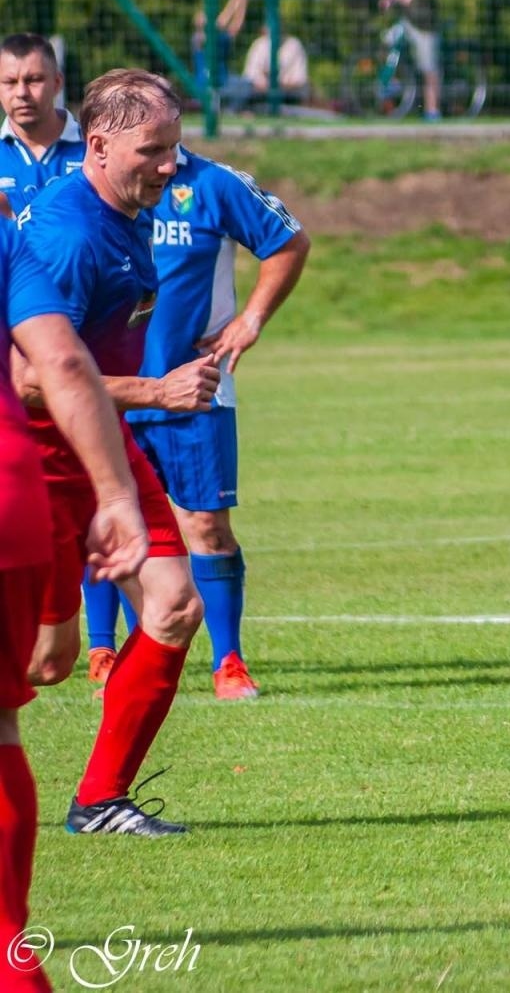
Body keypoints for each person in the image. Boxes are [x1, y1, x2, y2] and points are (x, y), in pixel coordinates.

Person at [11, 69, 212, 834]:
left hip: (101, 444)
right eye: (152, 150)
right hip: (36, 460)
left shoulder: (125, 208)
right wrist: (158, 392)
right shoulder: (67, 233)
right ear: (97, 145)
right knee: (43, 663)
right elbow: (32, 381)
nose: (169, 165)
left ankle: (100, 801)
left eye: (174, 148)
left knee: (172, 608)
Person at [80, 145, 311, 700]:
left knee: (206, 526)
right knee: (110, 521)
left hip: (197, 390)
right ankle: (110, 652)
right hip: (112, 392)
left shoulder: (215, 183)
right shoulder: (92, 188)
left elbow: (288, 241)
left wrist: (250, 319)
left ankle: (227, 661)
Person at [1, 219, 150, 991]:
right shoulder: (7, 232)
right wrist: (116, 493)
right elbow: (59, 360)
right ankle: (11, 958)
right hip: (11, 491)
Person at [0, 34, 85, 220]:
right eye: (10, 82)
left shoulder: (94, 149)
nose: (22, 92)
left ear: (57, 83)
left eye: (33, 80)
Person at [380, 0, 447, 122]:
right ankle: (393, 81)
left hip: (425, 26)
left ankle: (432, 111)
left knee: (428, 68)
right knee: (388, 40)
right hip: (408, 22)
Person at [240, 26, 311, 101]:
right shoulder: (259, 45)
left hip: (289, 97)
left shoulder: (294, 45)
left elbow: (299, 81)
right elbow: (249, 77)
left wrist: (276, 85)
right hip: (259, 96)